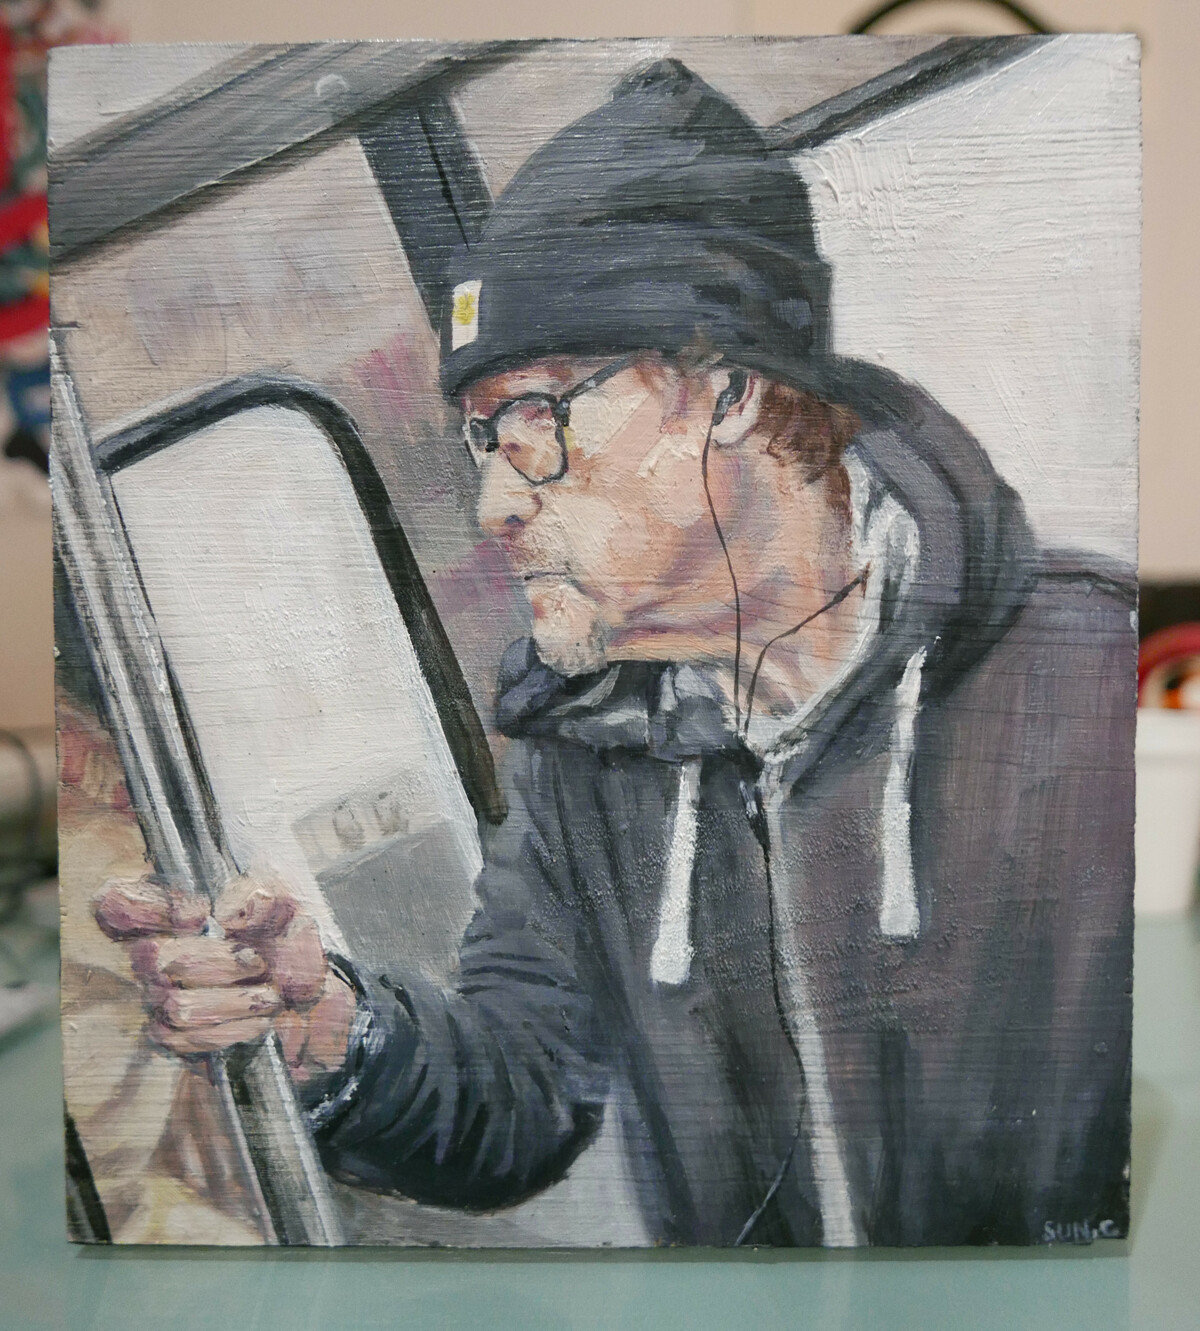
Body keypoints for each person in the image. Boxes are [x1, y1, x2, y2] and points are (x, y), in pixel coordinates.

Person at [94, 60, 1134, 1247]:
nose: (494, 502)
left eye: (538, 419)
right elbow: (521, 1093)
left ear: (726, 392)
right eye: (482, 437)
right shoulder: (590, 756)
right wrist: (328, 1026)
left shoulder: (1091, 680)